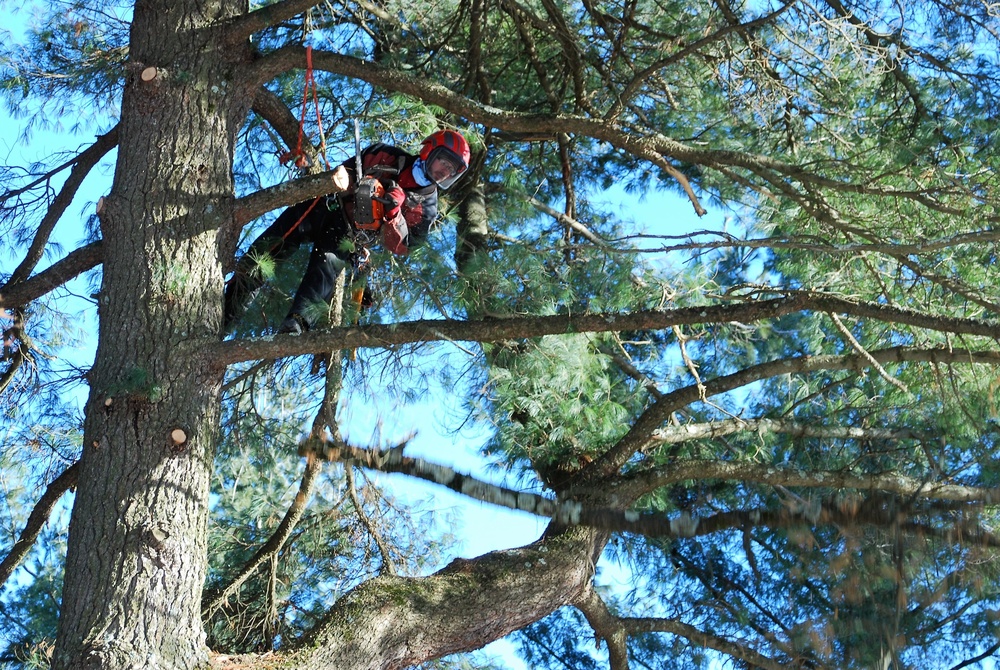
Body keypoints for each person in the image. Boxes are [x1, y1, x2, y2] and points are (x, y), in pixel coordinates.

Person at [224, 129, 471, 333]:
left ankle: (297, 324)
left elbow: (405, 246)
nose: (445, 171)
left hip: (350, 232)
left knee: (325, 267)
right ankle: (230, 304)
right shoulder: (385, 154)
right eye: (444, 162)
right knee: (275, 241)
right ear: (430, 150)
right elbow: (347, 171)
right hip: (326, 205)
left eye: (452, 169)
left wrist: (393, 214)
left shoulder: (427, 207)